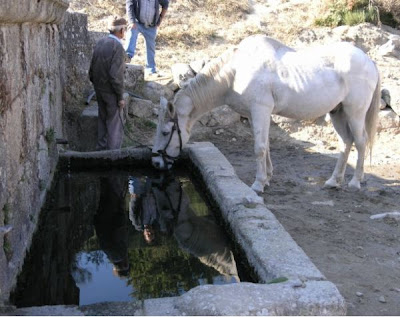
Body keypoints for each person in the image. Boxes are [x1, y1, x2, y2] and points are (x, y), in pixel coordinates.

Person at [89, 16, 127, 150]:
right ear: (121, 30)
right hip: (111, 92)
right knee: (114, 125)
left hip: (99, 89)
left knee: (102, 121)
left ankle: (100, 151)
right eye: (125, 29)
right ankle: (113, 156)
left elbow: (91, 70)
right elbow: (115, 75)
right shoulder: (118, 47)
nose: (125, 32)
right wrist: (120, 96)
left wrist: (97, 86)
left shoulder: (100, 42)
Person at [125, 0, 169, 76]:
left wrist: (160, 20)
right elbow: (129, 5)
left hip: (151, 25)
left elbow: (166, 4)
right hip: (137, 23)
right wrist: (132, 21)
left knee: (151, 47)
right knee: (132, 31)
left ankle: (151, 70)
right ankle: (127, 56)